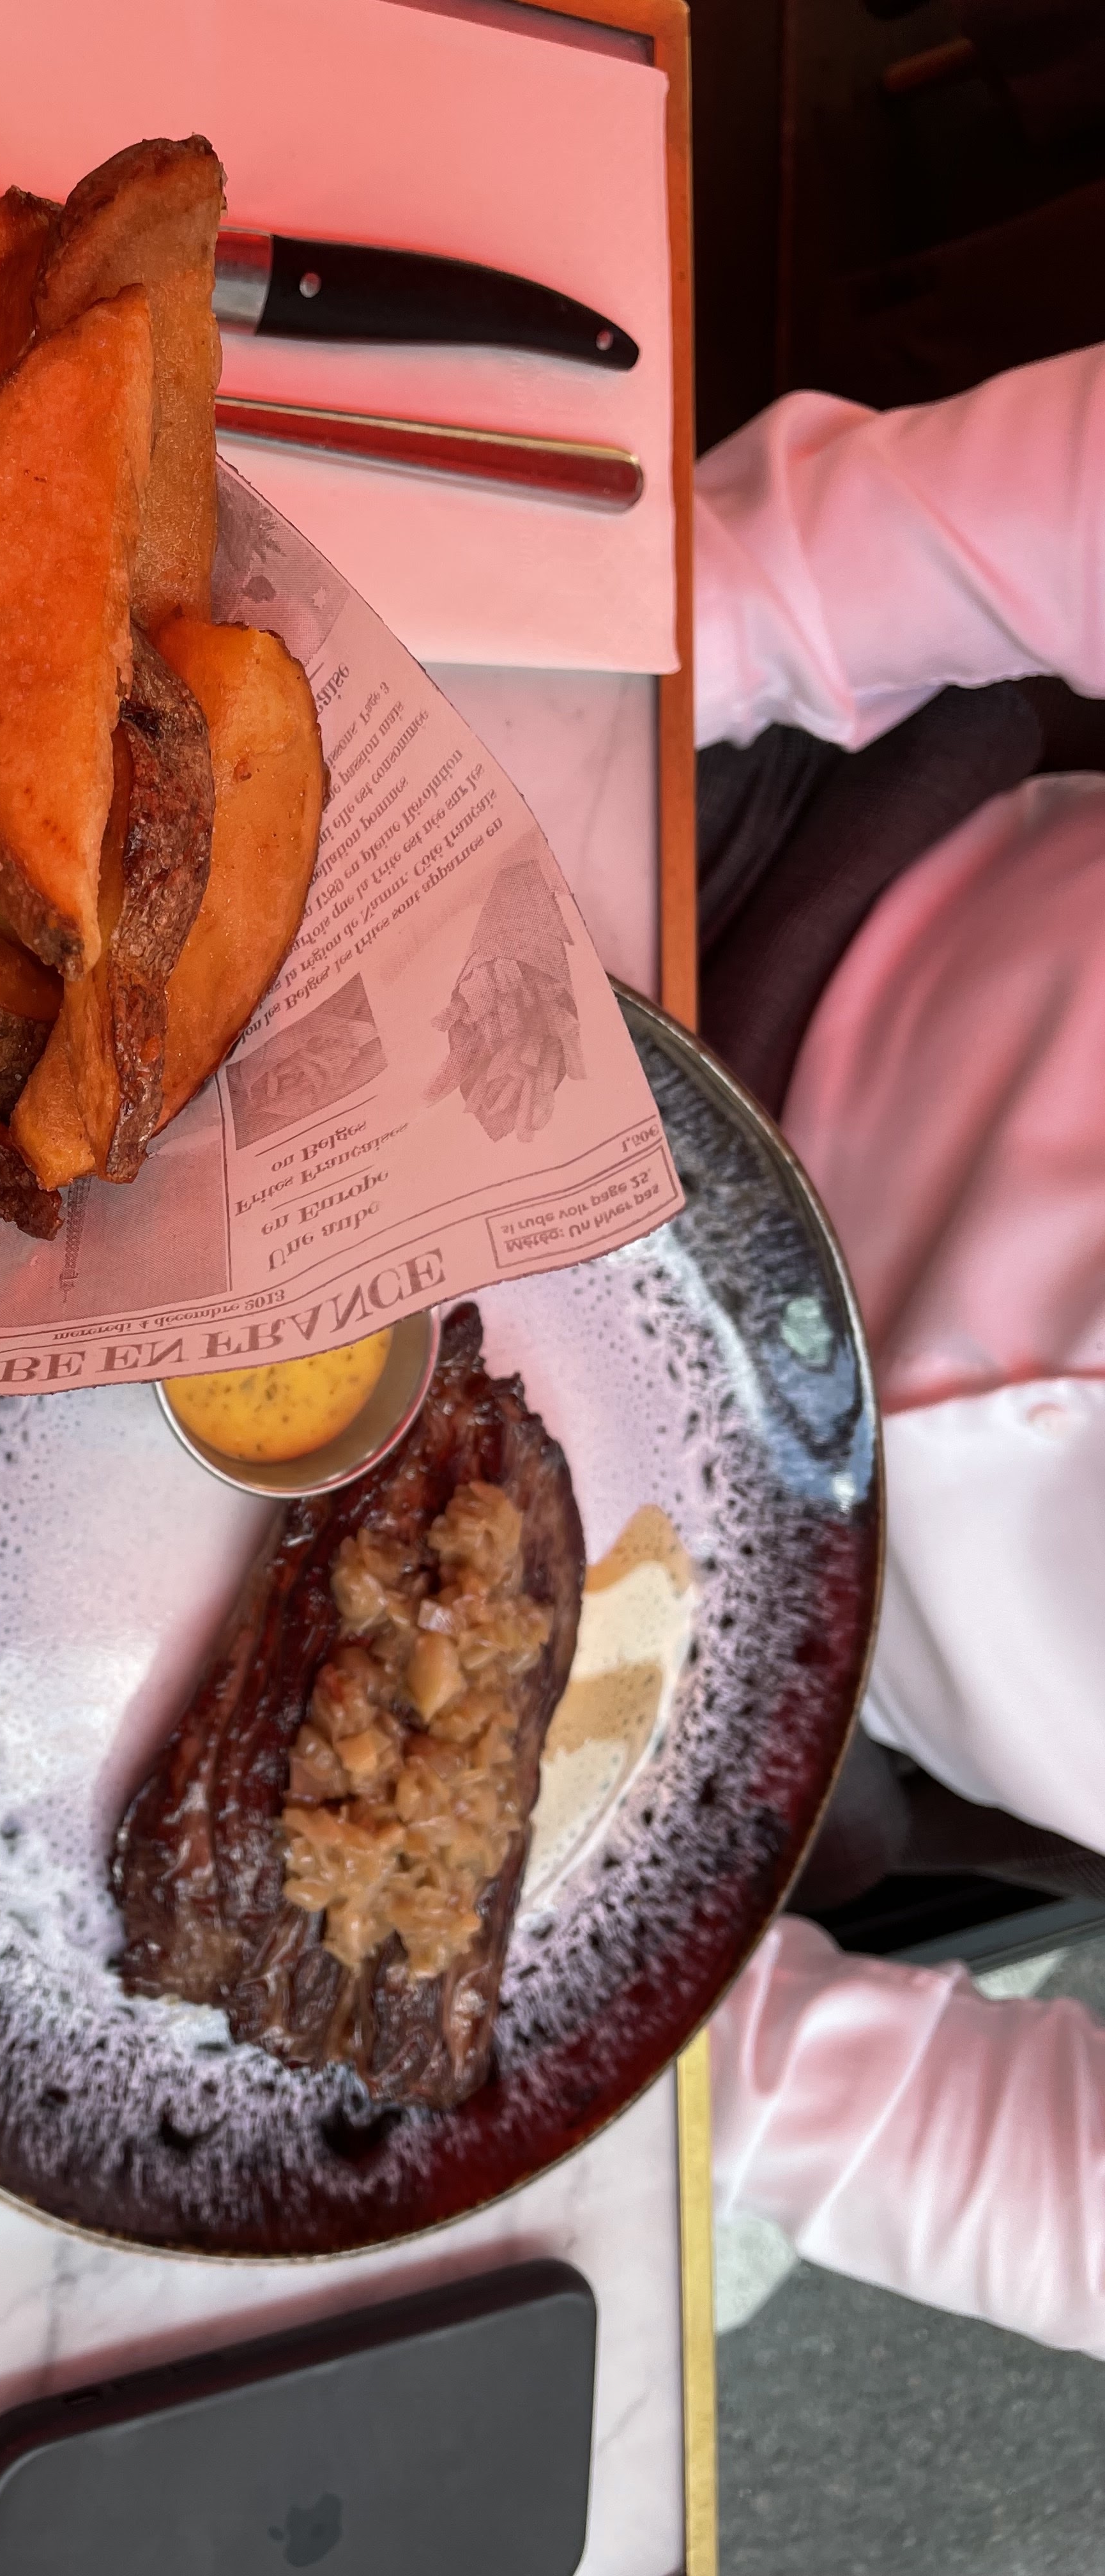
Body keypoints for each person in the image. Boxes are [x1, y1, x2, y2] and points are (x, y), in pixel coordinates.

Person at [693, 342, 1105, 2350]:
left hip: (712, 1661)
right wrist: (707, 621)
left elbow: (1043, 2195)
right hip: (755, 909)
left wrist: (634, 2027)